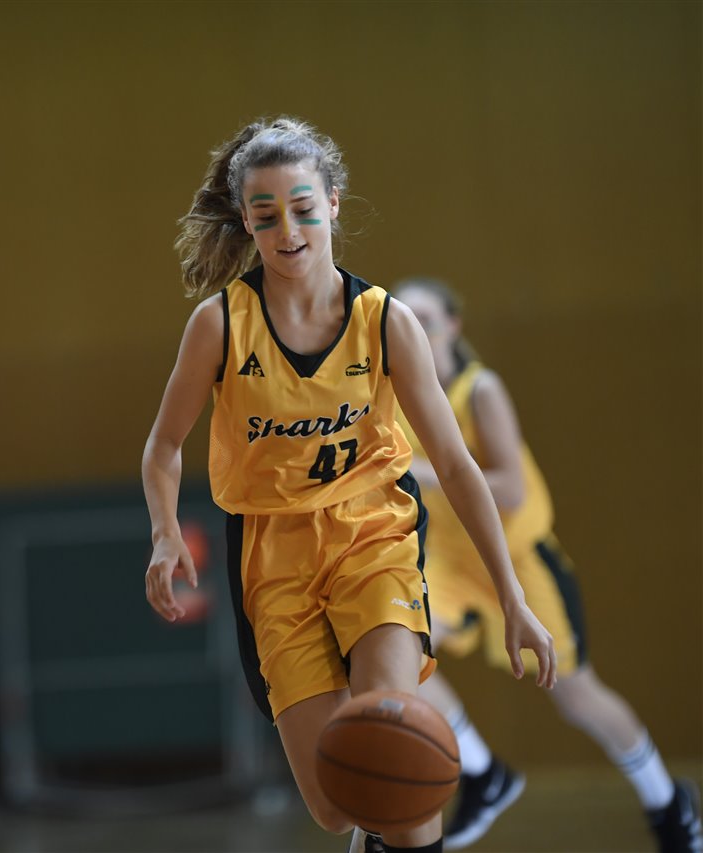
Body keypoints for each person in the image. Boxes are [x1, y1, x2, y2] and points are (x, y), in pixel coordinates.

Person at [140, 116, 557, 853]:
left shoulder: (386, 321)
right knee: (339, 804)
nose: (288, 230)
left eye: (303, 207)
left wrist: (512, 595)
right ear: (247, 221)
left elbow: (457, 465)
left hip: (374, 534)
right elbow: (164, 447)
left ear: (333, 203)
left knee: (394, 741)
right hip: (273, 553)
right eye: (267, 214)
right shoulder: (220, 325)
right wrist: (165, 531)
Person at [393, 278, 702, 853]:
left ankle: (667, 802)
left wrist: (424, 471)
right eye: (405, 323)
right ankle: (483, 772)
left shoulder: (481, 390)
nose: (418, 332)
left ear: (453, 325)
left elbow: (510, 488)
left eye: (426, 320)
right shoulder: (399, 397)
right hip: (452, 564)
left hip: (518, 560)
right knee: (396, 649)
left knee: (576, 696)